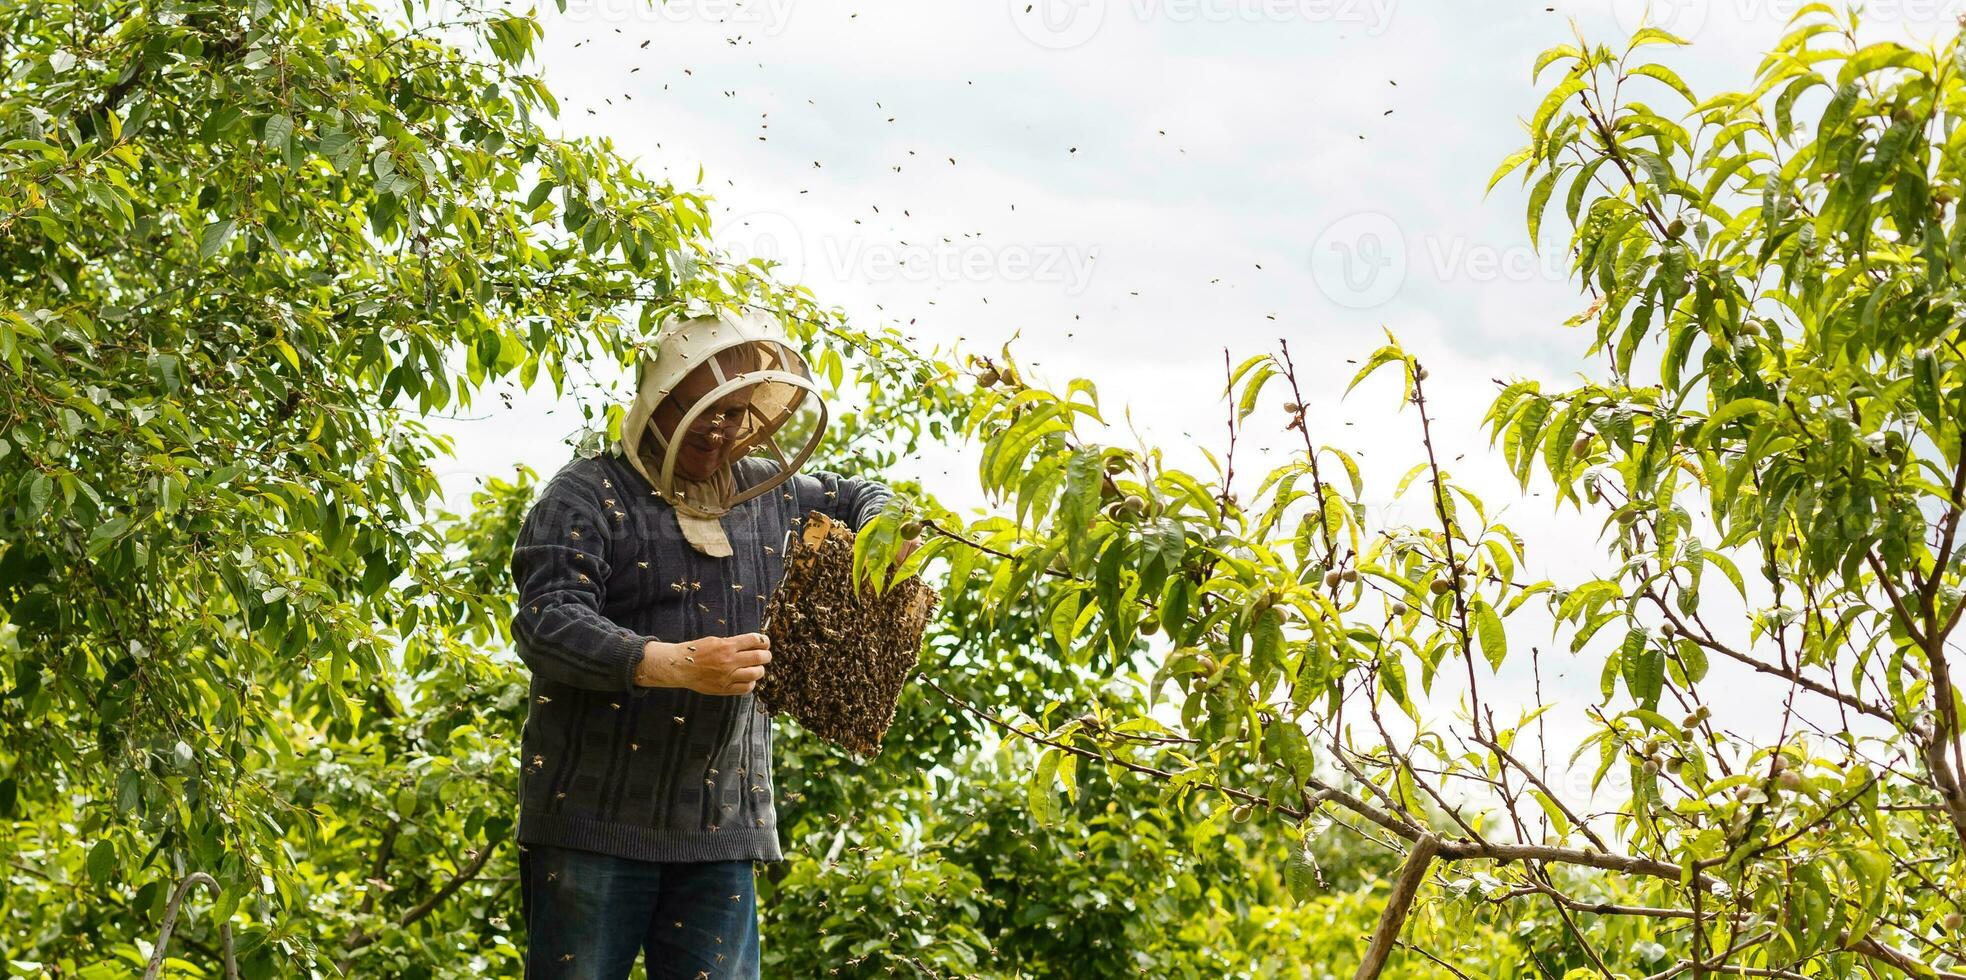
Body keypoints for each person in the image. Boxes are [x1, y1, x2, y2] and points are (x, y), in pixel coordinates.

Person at [508, 310, 920, 979]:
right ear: (657, 401)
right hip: (592, 825)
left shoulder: (772, 493)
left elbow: (865, 495)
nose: (718, 428)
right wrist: (672, 664)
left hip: (721, 829)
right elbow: (548, 621)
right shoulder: (587, 493)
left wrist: (883, 527)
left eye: (732, 413)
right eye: (699, 408)